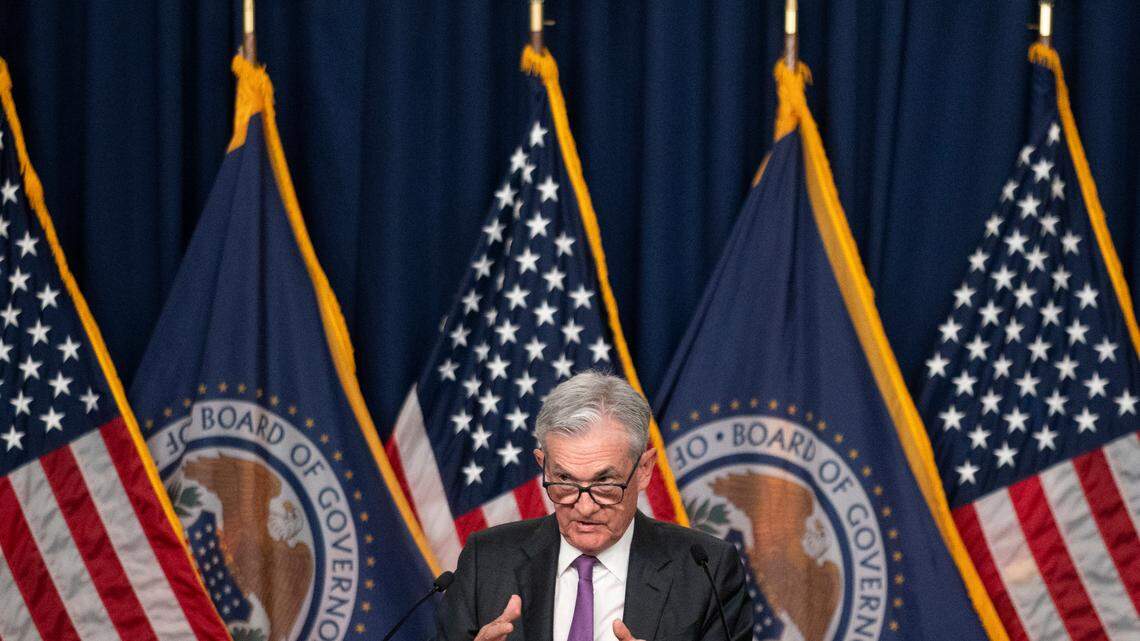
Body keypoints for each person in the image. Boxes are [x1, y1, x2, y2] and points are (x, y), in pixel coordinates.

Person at [436, 371, 753, 641]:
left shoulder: (706, 570)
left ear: (643, 469)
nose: (584, 507)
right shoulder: (486, 560)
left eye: (605, 484)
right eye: (565, 481)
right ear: (543, 466)